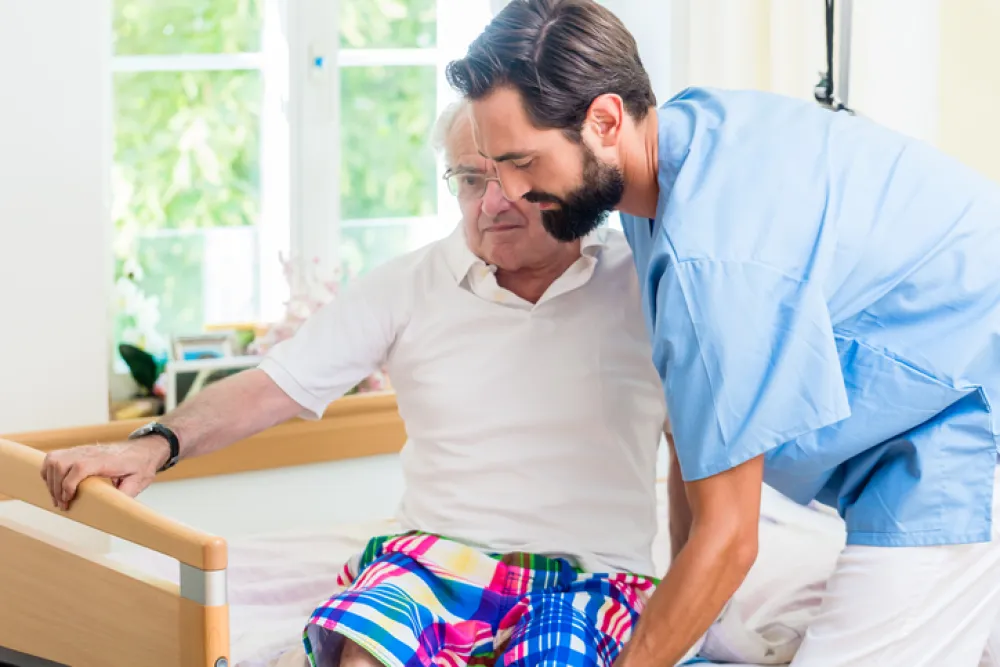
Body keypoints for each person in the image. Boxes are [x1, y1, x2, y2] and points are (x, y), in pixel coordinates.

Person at [445, 1, 1000, 665]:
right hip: (922, 413)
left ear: (604, 120)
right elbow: (698, 423)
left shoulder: (711, 260)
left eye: (522, 162)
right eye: (489, 167)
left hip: (963, 424)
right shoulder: (677, 150)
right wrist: (703, 616)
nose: (503, 193)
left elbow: (732, 537)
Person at [41, 100, 671, 667]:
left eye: (511, 173)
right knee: (366, 647)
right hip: (434, 560)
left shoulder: (642, 281)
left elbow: (701, 451)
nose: (492, 200)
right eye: (471, 179)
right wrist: (154, 443)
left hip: (592, 575)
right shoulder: (407, 285)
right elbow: (268, 387)